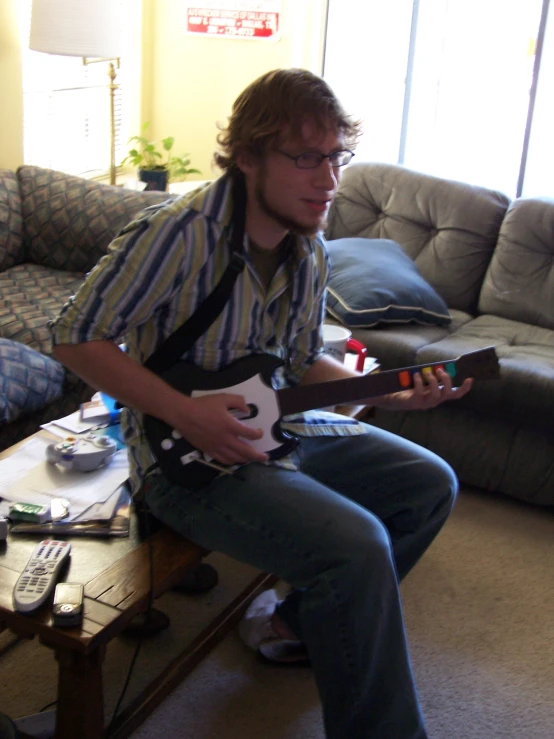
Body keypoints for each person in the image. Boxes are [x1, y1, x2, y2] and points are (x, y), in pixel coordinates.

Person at [50, 68, 472, 739]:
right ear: (247, 157)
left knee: (428, 484)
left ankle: (301, 625)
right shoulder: (179, 232)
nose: (327, 178)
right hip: (180, 460)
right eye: (305, 157)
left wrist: (391, 393)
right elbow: (74, 334)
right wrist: (187, 413)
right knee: (357, 545)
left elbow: (305, 359)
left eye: (335, 156)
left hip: (277, 423)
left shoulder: (309, 247)